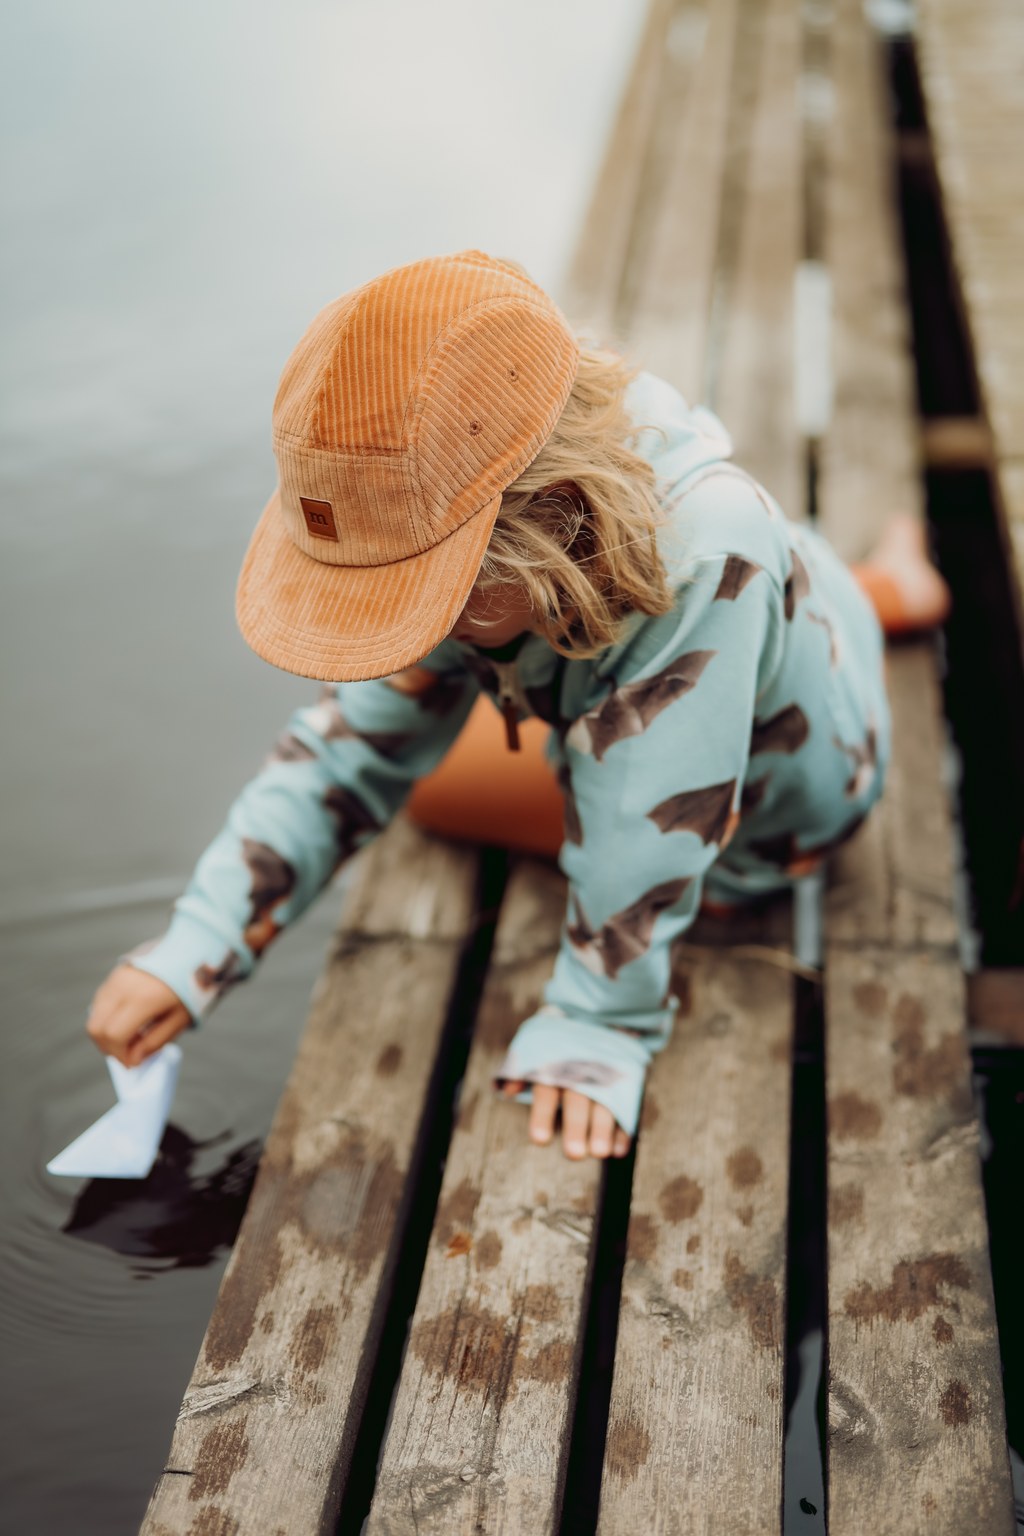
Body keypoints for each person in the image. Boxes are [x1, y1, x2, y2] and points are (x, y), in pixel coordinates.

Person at [84, 249, 950, 1162]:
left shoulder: (706, 554)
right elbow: (349, 747)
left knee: (432, 793)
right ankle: (891, 589)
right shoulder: (558, 442)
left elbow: (646, 821)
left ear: (548, 522)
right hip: (803, 616)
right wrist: (199, 942)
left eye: (417, 596)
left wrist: (596, 1021)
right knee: (755, 597)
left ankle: (886, 592)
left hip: (768, 818)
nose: (396, 637)